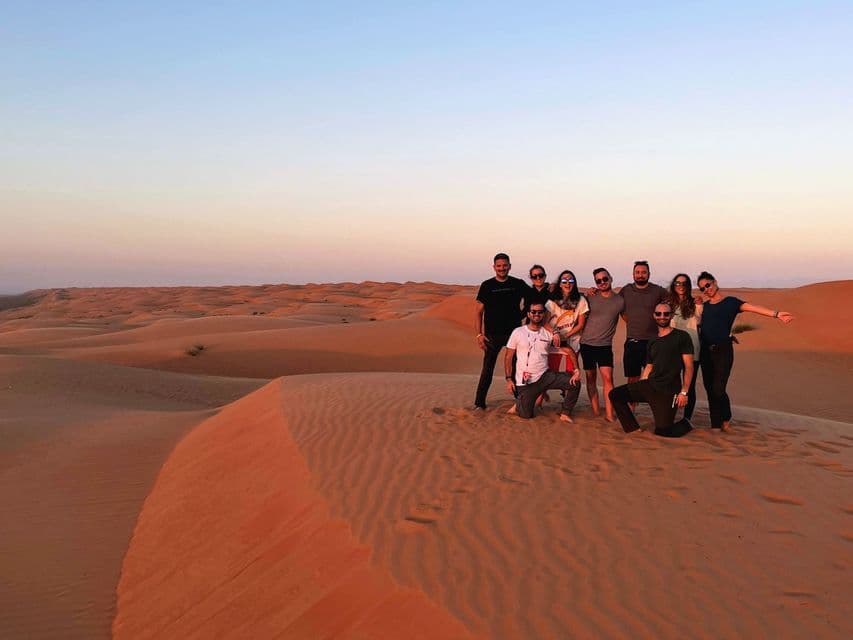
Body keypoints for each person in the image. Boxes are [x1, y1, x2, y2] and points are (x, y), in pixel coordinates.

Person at [696, 271, 794, 432]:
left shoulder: (730, 302)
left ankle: (726, 418)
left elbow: (752, 308)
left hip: (723, 351)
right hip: (705, 352)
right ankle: (715, 425)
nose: (706, 289)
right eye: (702, 288)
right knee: (709, 388)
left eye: (708, 285)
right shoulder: (703, 307)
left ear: (715, 282)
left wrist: (776, 314)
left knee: (718, 388)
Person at [609, 303, 694, 437]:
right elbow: (649, 366)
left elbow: (689, 366)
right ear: (654, 316)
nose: (662, 317)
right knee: (615, 394)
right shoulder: (652, 340)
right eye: (658, 314)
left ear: (671, 315)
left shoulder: (682, 337)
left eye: (666, 314)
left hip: (668, 390)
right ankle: (632, 428)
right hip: (650, 385)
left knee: (663, 431)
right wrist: (640, 385)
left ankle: (686, 424)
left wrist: (684, 392)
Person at [504, 302, 581, 422]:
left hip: (545, 376)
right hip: (526, 383)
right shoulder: (518, 332)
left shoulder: (549, 334)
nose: (536, 314)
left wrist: (576, 370)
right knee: (525, 416)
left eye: (540, 312)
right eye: (533, 312)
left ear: (543, 314)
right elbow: (508, 357)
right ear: (528, 314)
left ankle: (565, 412)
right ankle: (520, 401)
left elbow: (569, 351)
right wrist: (509, 379)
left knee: (574, 383)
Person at [473, 253, 529, 410]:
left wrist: (522, 314)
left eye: (505, 265)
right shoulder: (487, 285)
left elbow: (532, 297)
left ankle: (521, 402)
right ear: (494, 267)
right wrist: (479, 334)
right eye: (499, 266)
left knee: (518, 367)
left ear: (510, 266)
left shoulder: (517, 283)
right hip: (492, 334)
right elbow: (478, 312)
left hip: (515, 333)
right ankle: (479, 403)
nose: (502, 268)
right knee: (487, 368)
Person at [579, 268, 625, 421]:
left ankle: (610, 415)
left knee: (608, 378)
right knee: (591, 378)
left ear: (610, 278)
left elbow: (630, 318)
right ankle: (596, 411)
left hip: (605, 346)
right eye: (598, 281)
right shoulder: (590, 297)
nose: (602, 282)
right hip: (587, 344)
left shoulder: (619, 301)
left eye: (604, 279)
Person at [617, 261, 668, 385]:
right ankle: (631, 405)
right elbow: (613, 303)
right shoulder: (626, 290)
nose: (640, 275)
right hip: (632, 341)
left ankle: (653, 404)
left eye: (644, 272)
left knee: (653, 378)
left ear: (649, 274)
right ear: (633, 274)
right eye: (637, 272)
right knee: (632, 379)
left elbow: (674, 302)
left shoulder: (658, 291)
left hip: (653, 342)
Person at [667, 273, 702, 423]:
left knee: (689, 385)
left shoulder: (697, 303)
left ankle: (687, 418)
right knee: (672, 384)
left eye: (684, 283)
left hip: (692, 349)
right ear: (673, 286)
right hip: (673, 350)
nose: (681, 286)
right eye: (677, 283)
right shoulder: (668, 304)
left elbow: (705, 322)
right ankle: (669, 415)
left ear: (688, 286)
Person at [545, 269, 589, 373]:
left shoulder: (580, 300)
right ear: (560, 284)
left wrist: (566, 335)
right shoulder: (552, 300)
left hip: (572, 338)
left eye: (571, 281)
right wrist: (555, 333)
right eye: (564, 281)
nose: (568, 284)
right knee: (551, 371)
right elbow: (545, 323)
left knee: (571, 371)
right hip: (554, 338)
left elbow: (581, 324)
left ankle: (568, 390)